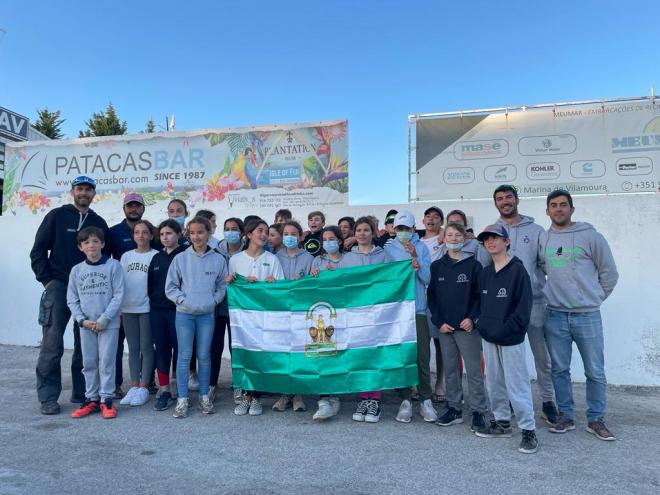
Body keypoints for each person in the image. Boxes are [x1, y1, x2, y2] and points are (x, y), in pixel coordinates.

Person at [539, 190, 619, 441]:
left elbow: (609, 273)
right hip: (555, 316)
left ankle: (596, 419)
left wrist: (593, 298)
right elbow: (543, 268)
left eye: (563, 205)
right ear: (547, 211)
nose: (559, 209)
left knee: (595, 371)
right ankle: (565, 416)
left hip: (587, 316)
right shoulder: (544, 239)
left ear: (572, 209)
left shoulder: (591, 236)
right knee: (559, 369)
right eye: (553, 205)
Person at [30, 175, 111, 415]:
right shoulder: (56, 216)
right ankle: (48, 397)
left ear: (94, 194)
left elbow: (110, 253)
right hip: (59, 286)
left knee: (85, 344)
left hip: (89, 290)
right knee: (52, 344)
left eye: (88, 189)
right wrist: (47, 281)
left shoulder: (98, 221)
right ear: (73, 191)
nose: (84, 193)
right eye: (80, 189)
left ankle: (82, 393)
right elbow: (37, 250)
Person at [492, 184, 559, 425]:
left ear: (516, 200)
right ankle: (512, 399)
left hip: (535, 304)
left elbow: (547, 265)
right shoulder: (493, 232)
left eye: (508, 197)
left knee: (542, 357)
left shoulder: (537, 230)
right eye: (499, 199)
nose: (504, 201)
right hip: (504, 309)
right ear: (496, 204)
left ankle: (548, 401)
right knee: (508, 360)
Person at [474, 224, 538, 455]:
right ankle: (502, 422)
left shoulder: (518, 271)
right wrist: (483, 325)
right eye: (486, 239)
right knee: (493, 381)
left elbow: (523, 310)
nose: (490, 242)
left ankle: (528, 430)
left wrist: (506, 330)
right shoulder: (486, 272)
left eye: (495, 238)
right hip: (489, 337)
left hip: (511, 338)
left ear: (507, 241)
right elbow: (480, 305)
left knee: (517, 384)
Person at [165, 216, 228, 418]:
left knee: (204, 356)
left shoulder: (218, 259)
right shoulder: (180, 258)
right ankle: (182, 399)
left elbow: (222, 285)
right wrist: (183, 301)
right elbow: (171, 287)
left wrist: (213, 301)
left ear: (208, 233)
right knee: (184, 356)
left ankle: (204, 397)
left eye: (200, 232)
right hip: (184, 315)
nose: (196, 236)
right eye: (192, 233)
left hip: (206, 316)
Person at [427, 222, 487, 432]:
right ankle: (454, 408)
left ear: (464, 239)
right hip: (445, 328)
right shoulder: (437, 266)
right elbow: (432, 297)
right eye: (449, 235)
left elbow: (481, 297)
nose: (453, 239)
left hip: (467, 328)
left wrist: (472, 318)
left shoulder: (474, 265)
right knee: (451, 370)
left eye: (457, 235)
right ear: (443, 239)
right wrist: (439, 321)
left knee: (473, 371)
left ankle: (479, 410)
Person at [383, 211, 437, 424]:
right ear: (394, 230)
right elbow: (385, 278)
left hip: (418, 310)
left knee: (422, 357)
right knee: (403, 356)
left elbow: (427, 279)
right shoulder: (389, 249)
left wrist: (416, 259)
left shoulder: (421, 247)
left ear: (414, 229)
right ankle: (405, 399)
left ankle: (425, 399)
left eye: (407, 229)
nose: (403, 233)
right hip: (398, 312)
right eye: (399, 229)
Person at [227, 219, 285, 416]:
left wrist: (270, 283)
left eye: (267, 232)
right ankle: (245, 396)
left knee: (260, 354)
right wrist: (234, 282)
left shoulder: (273, 259)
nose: (263, 235)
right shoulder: (235, 259)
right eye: (260, 230)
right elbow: (232, 287)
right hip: (242, 320)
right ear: (249, 234)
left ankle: (257, 397)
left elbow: (280, 288)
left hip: (264, 318)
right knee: (243, 353)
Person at [66, 227, 124, 419]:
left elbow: (118, 295)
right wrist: (82, 320)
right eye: (86, 242)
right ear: (80, 247)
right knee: (89, 362)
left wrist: (104, 319)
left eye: (95, 241)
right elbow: (72, 299)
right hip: (87, 325)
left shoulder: (113, 266)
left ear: (103, 244)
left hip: (108, 324)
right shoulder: (77, 270)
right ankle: (91, 398)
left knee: (107, 362)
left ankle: (106, 399)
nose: (91, 245)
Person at [342, 217, 392, 423]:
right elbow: (340, 285)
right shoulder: (347, 258)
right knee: (360, 355)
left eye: (366, 230)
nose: (362, 233)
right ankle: (364, 398)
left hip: (377, 314)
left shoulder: (384, 256)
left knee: (376, 355)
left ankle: (376, 401)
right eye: (359, 230)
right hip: (355, 314)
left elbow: (391, 281)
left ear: (373, 233)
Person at [272, 220, 314, 413]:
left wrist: (304, 280)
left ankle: (298, 394)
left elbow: (314, 282)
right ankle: (284, 393)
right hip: (280, 311)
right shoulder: (274, 257)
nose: (290, 237)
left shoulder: (309, 258)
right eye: (286, 233)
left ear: (301, 236)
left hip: (301, 312)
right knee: (283, 352)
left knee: (299, 352)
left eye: (294, 234)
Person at [109, 193, 148, 399]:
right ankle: (116, 384)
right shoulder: (113, 232)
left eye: (137, 206)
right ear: (124, 208)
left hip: (144, 302)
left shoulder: (151, 232)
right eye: (129, 206)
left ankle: (144, 382)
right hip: (120, 299)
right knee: (117, 343)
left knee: (144, 344)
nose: (133, 209)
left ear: (143, 208)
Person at [148, 219, 186, 411]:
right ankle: (164, 390)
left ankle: (181, 390)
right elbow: (151, 286)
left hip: (179, 311)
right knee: (161, 349)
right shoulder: (156, 258)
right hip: (157, 311)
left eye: (169, 233)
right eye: (162, 234)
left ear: (178, 234)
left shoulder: (186, 255)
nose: (165, 237)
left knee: (180, 350)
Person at [309, 226, 347, 421]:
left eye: (332, 239)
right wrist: (314, 276)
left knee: (343, 353)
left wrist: (338, 275)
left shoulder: (349, 260)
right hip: (325, 314)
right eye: (325, 239)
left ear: (340, 241)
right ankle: (325, 397)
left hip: (346, 314)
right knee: (325, 352)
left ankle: (339, 392)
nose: (328, 242)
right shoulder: (317, 261)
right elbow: (309, 288)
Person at [119, 220, 158, 407]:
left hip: (147, 308)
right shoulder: (126, 257)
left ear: (151, 235)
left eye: (145, 232)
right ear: (133, 236)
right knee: (133, 348)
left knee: (146, 347)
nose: (141, 236)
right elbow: (120, 283)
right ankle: (134, 385)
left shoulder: (155, 256)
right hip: (128, 308)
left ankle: (144, 386)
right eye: (137, 232)